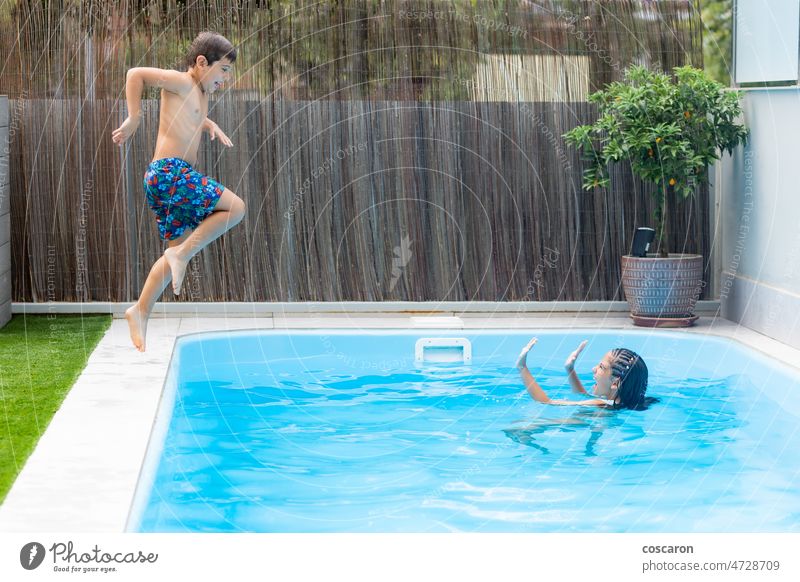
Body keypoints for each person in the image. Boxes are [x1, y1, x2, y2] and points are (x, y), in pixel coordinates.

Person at [112, 32, 245, 352]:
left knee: (175, 253)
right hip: (171, 173)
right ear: (202, 63)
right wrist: (134, 116)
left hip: (167, 180)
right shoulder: (182, 81)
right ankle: (180, 255)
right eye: (224, 70)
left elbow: (186, 118)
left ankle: (140, 310)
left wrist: (207, 124)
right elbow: (136, 74)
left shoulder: (198, 93)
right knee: (236, 208)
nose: (225, 80)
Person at [516, 338, 655, 409]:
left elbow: (546, 402)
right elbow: (583, 396)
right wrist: (570, 369)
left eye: (601, 367)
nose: (594, 369)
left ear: (615, 383)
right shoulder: (623, 403)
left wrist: (522, 367)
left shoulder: (600, 404)